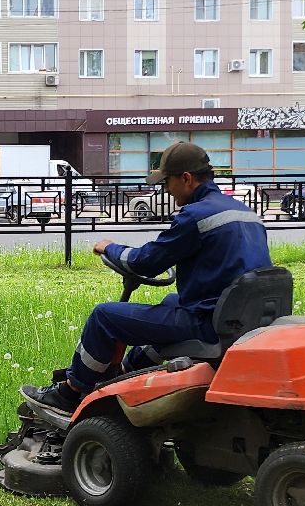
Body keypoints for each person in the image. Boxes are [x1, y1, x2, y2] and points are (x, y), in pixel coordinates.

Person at [22, 141, 272, 415]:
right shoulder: (246, 213)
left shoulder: (196, 216)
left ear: (186, 179)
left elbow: (145, 262)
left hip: (210, 325)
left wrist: (109, 247)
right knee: (169, 302)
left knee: (104, 316)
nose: (166, 189)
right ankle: (129, 375)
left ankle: (71, 391)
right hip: (244, 321)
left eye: (167, 182)